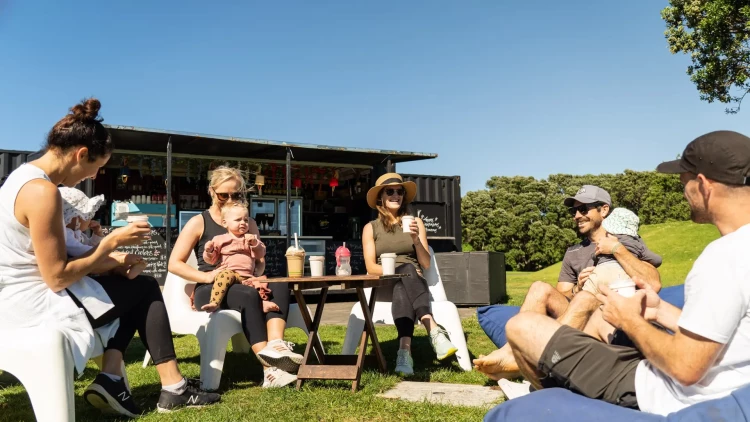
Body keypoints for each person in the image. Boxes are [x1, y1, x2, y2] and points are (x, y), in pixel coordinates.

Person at [0, 98, 220, 418]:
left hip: (21, 298)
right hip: (38, 305)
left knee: (132, 287)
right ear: (81, 155)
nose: (95, 174)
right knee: (143, 290)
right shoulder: (42, 192)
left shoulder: (20, 180)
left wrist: (112, 261)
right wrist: (108, 246)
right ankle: (166, 387)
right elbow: (56, 275)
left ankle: (120, 378)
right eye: (98, 166)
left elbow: (46, 260)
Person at [505, 130, 750, 414]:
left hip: (663, 392)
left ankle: (555, 407)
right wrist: (660, 312)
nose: (683, 193)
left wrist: (630, 320)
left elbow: (686, 368)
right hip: (713, 382)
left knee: (521, 327)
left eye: (684, 183)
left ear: (704, 185)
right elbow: (730, 333)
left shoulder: (723, 257)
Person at [474, 185, 663, 381]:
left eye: (584, 209)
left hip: (610, 316)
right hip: (579, 315)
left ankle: (531, 361)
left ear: (604, 210)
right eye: (574, 211)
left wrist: (617, 249)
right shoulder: (573, 252)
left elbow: (653, 282)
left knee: (586, 299)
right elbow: (562, 294)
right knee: (540, 288)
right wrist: (578, 287)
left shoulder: (626, 239)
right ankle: (511, 353)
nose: (577, 216)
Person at [168, 165, 302, 388]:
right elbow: (174, 263)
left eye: (236, 194)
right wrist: (207, 277)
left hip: (244, 281)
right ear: (212, 192)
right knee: (248, 294)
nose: (229, 200)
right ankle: (270, 368)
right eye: (223, 195)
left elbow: (259, 260)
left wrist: (257, 275)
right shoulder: (199, 222)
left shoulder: (247, 222)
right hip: (211, 289)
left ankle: (276, 345)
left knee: (279, 284)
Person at [362, 172, 458, 376]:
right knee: (405, 271)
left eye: (400, 191)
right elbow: (371, 267)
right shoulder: (370, 228)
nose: (395, 195)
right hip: (383, 284)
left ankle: (404, 353)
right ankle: (433, 329)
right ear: (381, 197)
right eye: (390, 191)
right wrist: (397, 270)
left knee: (403, 284)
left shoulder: (416, 223)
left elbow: (425, 263)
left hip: (411, 283)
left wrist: (415, 239)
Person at [59, 186, 148, 279]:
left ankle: (125, 271)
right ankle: (123, 269)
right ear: (75, 217)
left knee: (111, 264)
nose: (90, 218)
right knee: (109, 263)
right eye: (88, 215)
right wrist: (113, 255)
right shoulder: (65, 235)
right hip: (82, 272)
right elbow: (83, 250)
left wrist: (98, 234)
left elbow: (91, 246)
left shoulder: (77, 234)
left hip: (86, 269)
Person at [201, 203, 272, 313]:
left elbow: (260, 254)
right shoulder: (220, 239)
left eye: (246, 220)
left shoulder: (250, 239)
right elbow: (211, 260)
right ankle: (214, 302)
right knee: (223, 278)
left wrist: (254, 243)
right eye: (238, 220)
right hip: (230, 273)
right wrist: (208, 251)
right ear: (225, 223)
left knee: (259, 285)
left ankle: (262, 303)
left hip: (248, 276)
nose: (243, 223)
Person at [580, 207, 648, 296]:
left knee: (584, 297)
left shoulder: (605, 241)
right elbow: (656, 259)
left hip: (600, 272)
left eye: (583, 209)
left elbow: (594, 255)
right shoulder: (637, 243)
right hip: (623, 274)